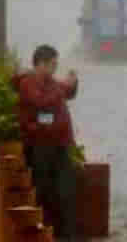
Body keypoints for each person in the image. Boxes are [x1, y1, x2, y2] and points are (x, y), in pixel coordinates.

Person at [14, 44, 79, 242]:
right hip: (40, 144)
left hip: (60, 143)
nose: (55, 69)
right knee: (43, 190)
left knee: (66, 189)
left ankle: (67, 235)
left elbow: (67, 91)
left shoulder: (51, 82)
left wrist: (73, 82)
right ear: (40, 64)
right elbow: (41, 102)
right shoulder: (28, 83)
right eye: (52, 64)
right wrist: (62, 89)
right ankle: (43, 233)